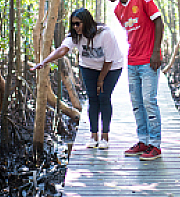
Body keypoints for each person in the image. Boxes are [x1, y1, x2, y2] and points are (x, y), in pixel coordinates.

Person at [30, 8, 123, 149]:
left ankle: (105, 137)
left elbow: (109, 61)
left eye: (78, 23)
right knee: (93, 99)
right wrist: (44, 61)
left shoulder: (105, 34)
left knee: (104, 97)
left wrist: (101, 79)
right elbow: (62, 50)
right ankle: (93, 136)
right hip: (89, 67)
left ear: (86, 22)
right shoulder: (75, 35)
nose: (75, 27)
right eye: (73, 24)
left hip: (112, 68)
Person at [99, 0, 164, 160]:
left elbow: (158, 22)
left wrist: (155, 52)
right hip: (133, 61)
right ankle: (143, 141)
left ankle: (155, 145)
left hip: (149, 60)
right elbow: (132, 35)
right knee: (136, 103)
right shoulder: (117, 11)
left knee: (149, 102)